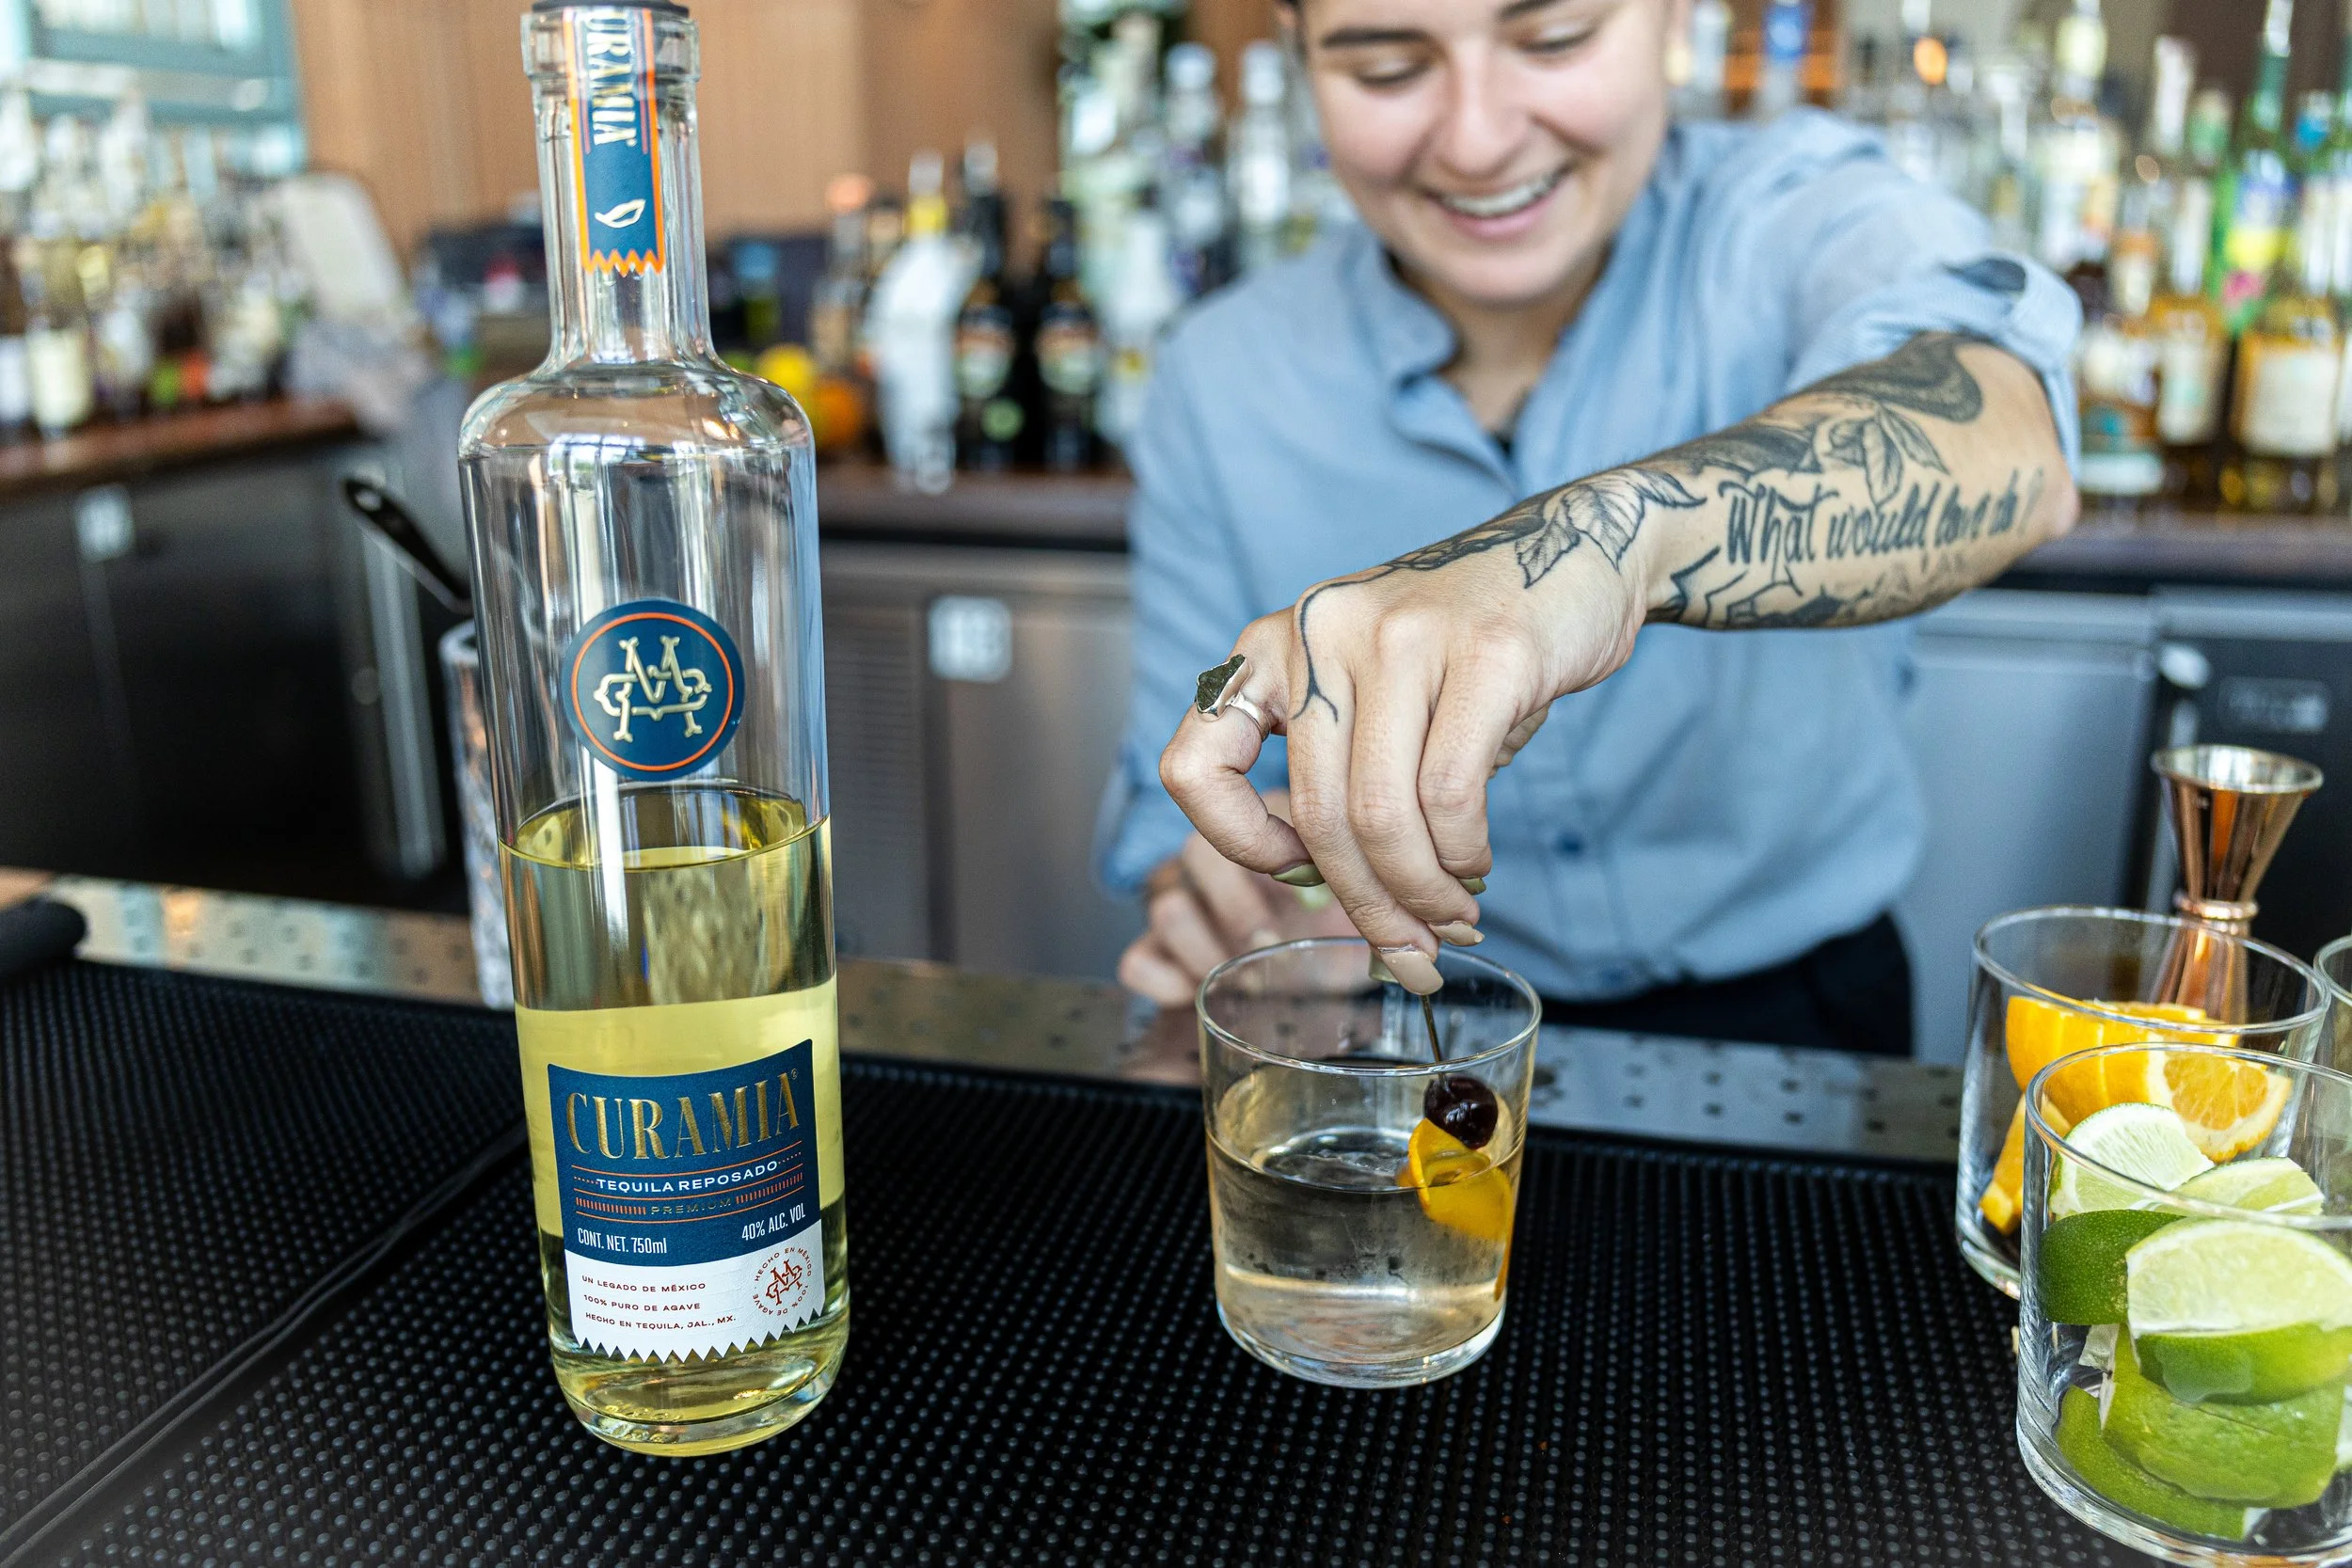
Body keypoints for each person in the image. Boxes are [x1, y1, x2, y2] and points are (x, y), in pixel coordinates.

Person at [1095, 0, 2081, 1055]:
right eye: (1386, 68)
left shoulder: (1791, 214)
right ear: (1294, 52)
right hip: (1406, 1037)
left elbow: (2010, 439)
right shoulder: (1219, 371)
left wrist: (1606, 543)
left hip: (1799, 1025)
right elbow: (1184, 761)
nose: (1477, 140)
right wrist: (1224, 889)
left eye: (1553, 40)